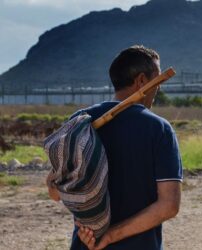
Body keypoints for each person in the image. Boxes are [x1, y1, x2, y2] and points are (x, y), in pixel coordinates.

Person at [54, 45, 183, 250]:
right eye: (157, 80)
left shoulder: (79, 121)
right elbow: (169, 205)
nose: (159, 88)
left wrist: (89, 227)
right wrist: (111, 236)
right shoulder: (159, 129)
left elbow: (55, 190)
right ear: (141, 81)